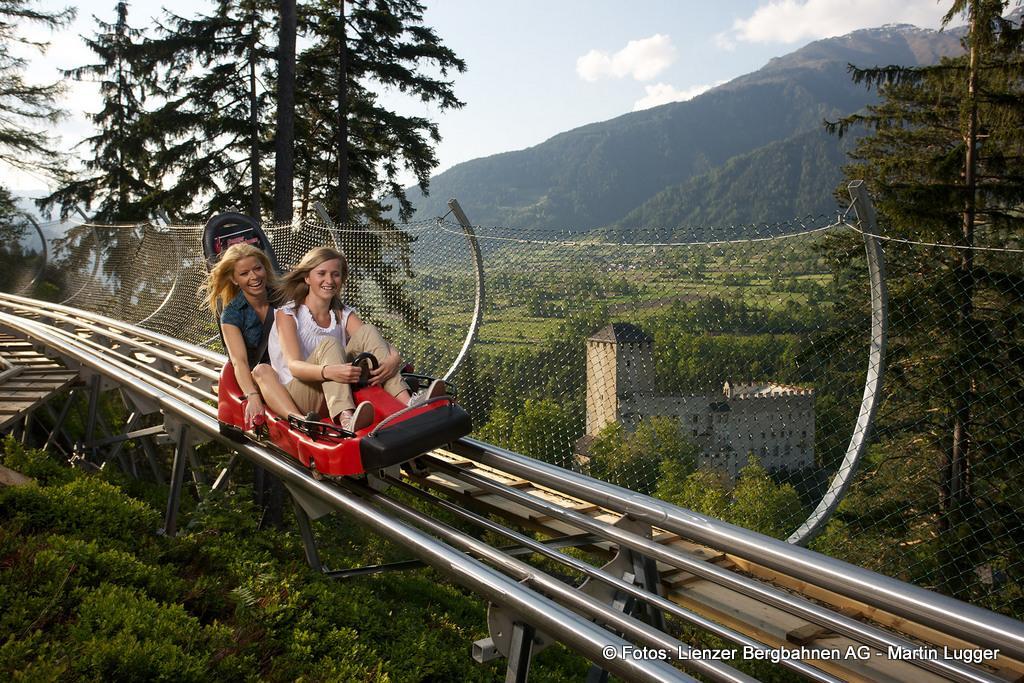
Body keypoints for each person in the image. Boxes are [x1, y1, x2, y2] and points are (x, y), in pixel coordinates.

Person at [268, 246, 443, 432]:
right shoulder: (288, 314)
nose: (329, 280)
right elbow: (294, 366)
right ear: (307, 278)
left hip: (336, 386)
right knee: (330, 344)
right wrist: (329, 372)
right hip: (301, 394)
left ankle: (408, 402)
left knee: (367, 330)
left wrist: (394, 358)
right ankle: (346, 418)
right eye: (321, 273)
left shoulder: (342, 314)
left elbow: (373, 341)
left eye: (335, 274)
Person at [202, 242, 303, 428]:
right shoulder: (232, 314)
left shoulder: (284, 296)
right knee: (262, 371)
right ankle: (300, 423)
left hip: (293, 366)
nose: (254, 276)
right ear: (234, 279)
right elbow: (239, 361)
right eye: (244, 273)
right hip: (264, 378)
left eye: (257, 269)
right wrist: (252, 396)